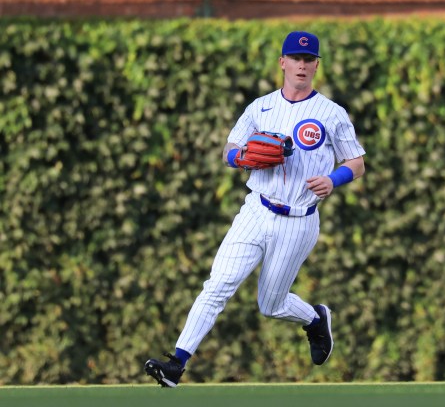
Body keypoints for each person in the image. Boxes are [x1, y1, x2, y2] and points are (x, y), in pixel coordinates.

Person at [144, 31, 366, 387]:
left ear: (317, 66)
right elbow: (229, 151)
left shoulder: (331, 114)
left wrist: (334, 179)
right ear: (282, 62)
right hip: (256, 210)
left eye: (309, 60)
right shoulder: (260, 107)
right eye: (295, 58)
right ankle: (176, 364)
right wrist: (242, 156)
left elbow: (356, 162)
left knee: (271, 305)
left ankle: (314, 319)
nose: (302, 65)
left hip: (299, 220)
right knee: (217, 285)